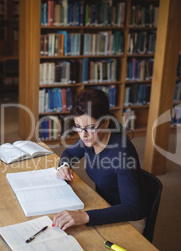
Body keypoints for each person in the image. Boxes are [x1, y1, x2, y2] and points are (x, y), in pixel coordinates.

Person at [53, 88, 146, 233]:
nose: (83, 135)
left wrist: (84, 216)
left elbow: (132, 209)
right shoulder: (89, 138)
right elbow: (69, 153)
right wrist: (63, 166)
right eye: (78, 127)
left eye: (90, 128)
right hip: (103, 205)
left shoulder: (122, 153)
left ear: (106, 122)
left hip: (127, 219)